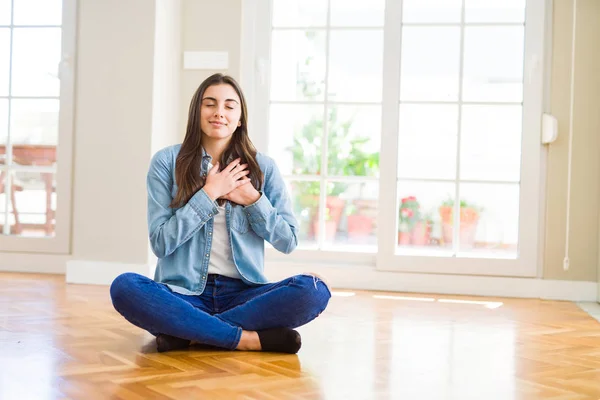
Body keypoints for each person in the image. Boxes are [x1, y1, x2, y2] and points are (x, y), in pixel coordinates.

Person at [109, 73, 331, 354]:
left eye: (229, 106)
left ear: (240, 118)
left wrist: (252, 198)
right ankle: (245, 339)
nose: (219, 113)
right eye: (209, 104)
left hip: (244, 295)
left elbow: (288, 241)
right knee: (125, 287)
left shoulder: (264, 167)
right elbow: (161, 243)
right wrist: (208, 195)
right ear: (196, 113)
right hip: (182, 294)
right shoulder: (166, 162)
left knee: (314, 289)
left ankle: (188, 333)